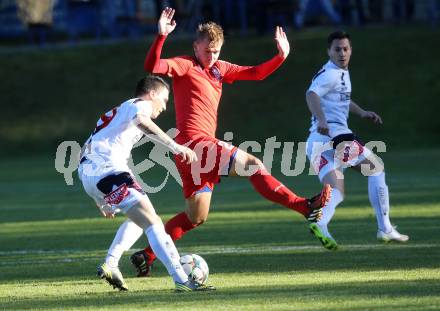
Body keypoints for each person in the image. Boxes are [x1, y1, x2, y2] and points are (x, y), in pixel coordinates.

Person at [129, 7, 332, 277]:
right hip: (195, 143)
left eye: (216, 51)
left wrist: (281, 56)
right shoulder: (186, 64)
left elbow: (256, 73)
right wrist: (161, 37)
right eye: (206, 50)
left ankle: (146, 255)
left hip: (189, 152)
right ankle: (304, 206)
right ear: (195, 46)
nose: (211, 56)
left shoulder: (220, 69)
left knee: (195, 217)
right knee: (252, 163)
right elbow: (153, 67)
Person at [78, 75, 214, 292]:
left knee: (139, 220)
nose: (165, 106)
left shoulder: (118, 112)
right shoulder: (139, 105)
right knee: (153, 223)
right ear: (152, 94)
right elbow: (142, 121)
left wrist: (98, 198)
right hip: (109, 171)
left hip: (92, 175)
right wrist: (176, 147)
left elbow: (85, 151)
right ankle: (182, 280)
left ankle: (111, 263)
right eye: (164, 99)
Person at [305, 31, 409, 250]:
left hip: (315, 143)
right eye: (337, 49)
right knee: (376, 169)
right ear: (328, 51)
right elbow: (311, 94)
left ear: (350, 50)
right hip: (336, 137)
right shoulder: (331, 74)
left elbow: (341, 98)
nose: (342, 53)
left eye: (345, 49)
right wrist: (323, 118)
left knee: (337, 192)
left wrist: (362, 112)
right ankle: (385, 228)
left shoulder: (338, 73)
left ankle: (320, 222)